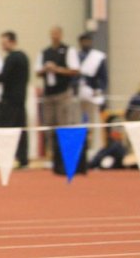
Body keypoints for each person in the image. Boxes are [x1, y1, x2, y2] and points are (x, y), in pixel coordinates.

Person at [36, 26, 81, 175]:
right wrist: (45, 69)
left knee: (64, 125)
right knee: (49, 126)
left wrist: (57, 69)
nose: (54, 36)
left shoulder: (68, 50)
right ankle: (52, 157)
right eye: (52, 33)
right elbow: (37, 71)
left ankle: (65, 158)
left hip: (63, 93)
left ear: (61, 35)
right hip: (49, 93)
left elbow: (75, 70)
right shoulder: (45, 52)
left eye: (56, 33)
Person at [0, 31, 30, 168]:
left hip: (9, 100)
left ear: (12, 41)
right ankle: (23, 158)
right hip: (21, 99)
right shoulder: (24, 57)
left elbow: (4, 77)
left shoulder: (11, 58)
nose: (2, 46)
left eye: (4, 43)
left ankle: (4, 158)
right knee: (21, 130)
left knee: (5, 130)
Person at [77, 32, 108, 151]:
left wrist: (99, 90)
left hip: (92, 93)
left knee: (93, 122)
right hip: (79, 93)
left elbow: (103, 77)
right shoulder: (76, 56)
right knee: (79, 122)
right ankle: (81, 149)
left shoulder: (97, 57)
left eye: (87, 40)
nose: (85, 43)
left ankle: (95, 149)